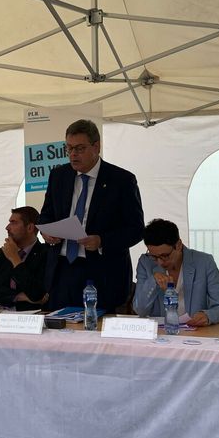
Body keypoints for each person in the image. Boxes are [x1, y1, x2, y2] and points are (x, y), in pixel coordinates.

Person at [39, 119, 144, 311]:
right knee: (60, 326)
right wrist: (46, 232)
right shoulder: (58, 176)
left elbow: (136, 229)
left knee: (96, 327)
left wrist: (102, 241)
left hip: (102, 273)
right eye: (69, 148)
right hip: (62, 270)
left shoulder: (121, 180)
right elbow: (46, 215)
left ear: (96, 147)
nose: (73, 154)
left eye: (79, 148)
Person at [133, 219, 219, 325]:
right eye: (154, 257)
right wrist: (153, 282)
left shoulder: (204, 262)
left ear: (179, 245)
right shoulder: (146, 263)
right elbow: (140, 310)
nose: (160, 262)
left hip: (197, 331)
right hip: (160, 331)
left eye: (165, 256)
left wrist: (208, 316)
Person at [0, 206, 48, 310]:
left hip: (31, 316)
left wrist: (15, 259)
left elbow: (37, 294)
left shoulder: (46, 253)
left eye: (13, 223)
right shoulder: (2, 253)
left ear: (30, 228)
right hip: (0, 315)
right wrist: (19, 296)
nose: (7, 227)